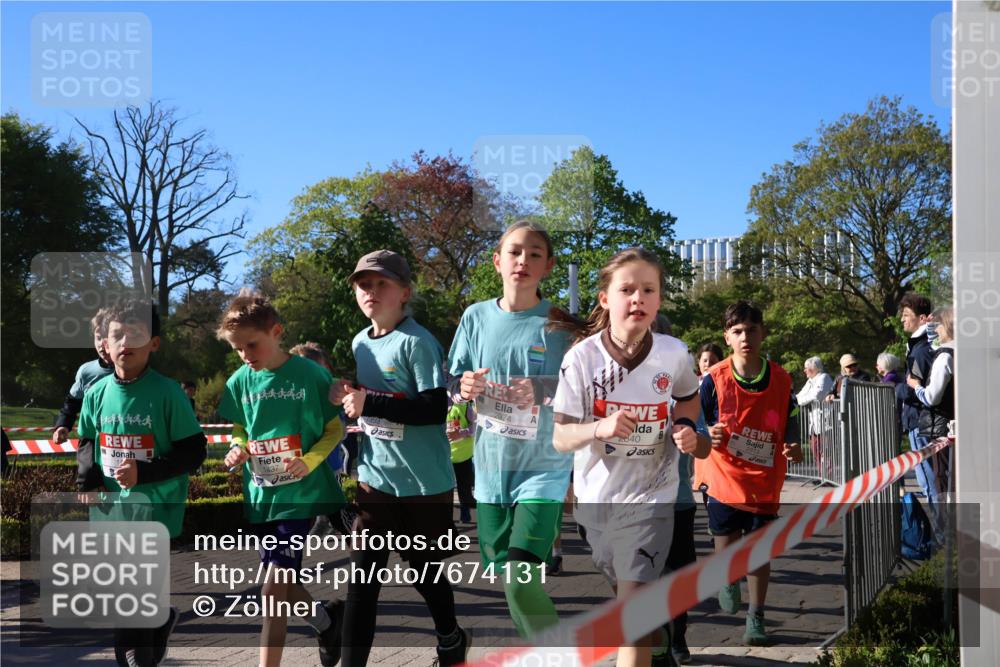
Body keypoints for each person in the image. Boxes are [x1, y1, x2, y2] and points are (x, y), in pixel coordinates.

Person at [552, 247, 708, 667]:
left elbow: (689, 400)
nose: (637, 297)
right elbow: (561, 437)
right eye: (627, 289)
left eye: (648, 289)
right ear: (606, 299)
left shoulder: (674, 353)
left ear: (658, 300)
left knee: (632, 612)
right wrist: (597, 428)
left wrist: (687, 428)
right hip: (597, 503)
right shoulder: (581, 360)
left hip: (653, 500)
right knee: (632, 604)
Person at [330, 250, 469, 666]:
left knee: (424, 571)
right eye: (363, 284)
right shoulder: (359, 342)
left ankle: (450, 636)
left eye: (382, 284)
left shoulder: (418, 342)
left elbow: (433, 409)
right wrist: (345, 395)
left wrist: (369, 402)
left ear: (404, 292)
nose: (371, 291)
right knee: (363, 582)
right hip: (375, 481)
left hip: (424, 484)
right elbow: (365, 406)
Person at [448, 220, 574, 640]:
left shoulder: (561, 324)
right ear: (498, 261)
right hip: (490, 471)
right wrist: (463, 387)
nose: (523, 261)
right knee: (512, 585)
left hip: (544, 469)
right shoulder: (475, 316)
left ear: (548, 265)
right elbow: (453, 380)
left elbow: (585, 391)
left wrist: (539, 388)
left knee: (521, 579)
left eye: (535, 254)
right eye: (515, 252)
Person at [74, 300, 207, 667]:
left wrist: (143, 473)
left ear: (155, 343)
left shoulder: (168, 393)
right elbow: (87, 439)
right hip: (111, 511)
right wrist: (87, 480)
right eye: (117, 334)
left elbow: (194, 452)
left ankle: (138, 653)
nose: (125, 341)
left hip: (156, 510)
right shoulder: (97, 392)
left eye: (135, 333)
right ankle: (158, 625)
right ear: (106, 343)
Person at [217, 290, 346, 667]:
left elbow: (334, 430)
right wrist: (237, 448)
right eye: (238, 349)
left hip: (301, 496)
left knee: (272, 588)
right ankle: (326, 622)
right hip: (261, 497)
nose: (245, 356)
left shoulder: (311, 375)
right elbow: (241, 429)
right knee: (284, 584)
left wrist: (310, 460)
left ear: (276, 331)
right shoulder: (239, 381)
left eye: (251, 345)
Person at [699, 301, 803, 646]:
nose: (746, 337)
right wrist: (706, 432)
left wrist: (793, 443)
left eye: (752, 330)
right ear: (727, 337)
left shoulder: (782, 378)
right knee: (726, 543)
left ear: (763, 333)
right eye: (738, 332)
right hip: (724, 475)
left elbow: (790, 418)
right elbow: (694, 420)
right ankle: (728, 577)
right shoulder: (713, 381)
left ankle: (756, 615)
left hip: (764, 478)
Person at [908, 305, 955, 535]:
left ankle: (946, 539)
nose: (933, 330)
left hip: (942, 427)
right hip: (956, 426)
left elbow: (931, 397)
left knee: (942, 481)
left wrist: (915, 386)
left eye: (936, 325)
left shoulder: (945, 355)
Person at [894, 293, 938, 513]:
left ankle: (943, 537)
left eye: (907, 315)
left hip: (921, 422)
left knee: (929, 481)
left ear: (922, 318)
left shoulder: (921, 350)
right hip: (920, 421)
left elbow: (913, 391)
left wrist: (896, 388)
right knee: (928, 480)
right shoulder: (919, 347)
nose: (902, 319)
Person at [52, 308, 114, 444]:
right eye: (98, 338)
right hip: (90, 441)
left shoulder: (135, 371)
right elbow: (72, 403)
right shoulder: (86, 370)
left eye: (108, 338)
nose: (102, 345)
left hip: (123, 440)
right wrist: (62, 425)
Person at [796, 357, 834, 480]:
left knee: (825, 452)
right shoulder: (810, 381)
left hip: (825, 422)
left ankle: (828, 477)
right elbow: (799, 397)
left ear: (812, 369)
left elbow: (817, 395)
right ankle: (821, 476)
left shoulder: (824, 377)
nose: (804, 371)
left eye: (806, 368)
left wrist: (803, 400)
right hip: (814, 424)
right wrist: (804, 399)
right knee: (816, 450)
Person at [447, 401, 476, 525]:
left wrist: (461, 433)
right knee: (445, 488)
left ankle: (465, 513)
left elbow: (475, 427)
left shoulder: (463, 406)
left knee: (464, 487)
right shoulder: (434, 403)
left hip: (463, 455)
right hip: (443, 456)